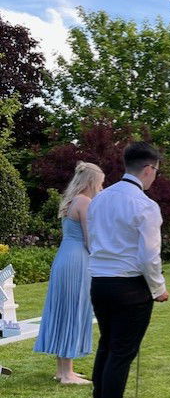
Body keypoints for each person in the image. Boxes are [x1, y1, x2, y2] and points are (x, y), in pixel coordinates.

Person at [88, 141, 169, 398]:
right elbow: (149, 255)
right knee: (121, 351)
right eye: (155, 172)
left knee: (107, 345)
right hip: (130, 286)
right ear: (148, 169)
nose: (155, 176)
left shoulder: (100, 198)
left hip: (100, 281)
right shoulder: (145, 205)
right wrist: (158, 288)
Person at [34, 162, 104, 384]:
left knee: (65, 309)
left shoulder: (71, 200)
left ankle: (63, 369)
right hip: (78, 260)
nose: (102, 187)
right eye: (100, 183)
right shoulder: (85, 201)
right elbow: (90, 239)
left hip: (65, 257)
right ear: (92, 182)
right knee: (73, 309)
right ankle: (67, 374)